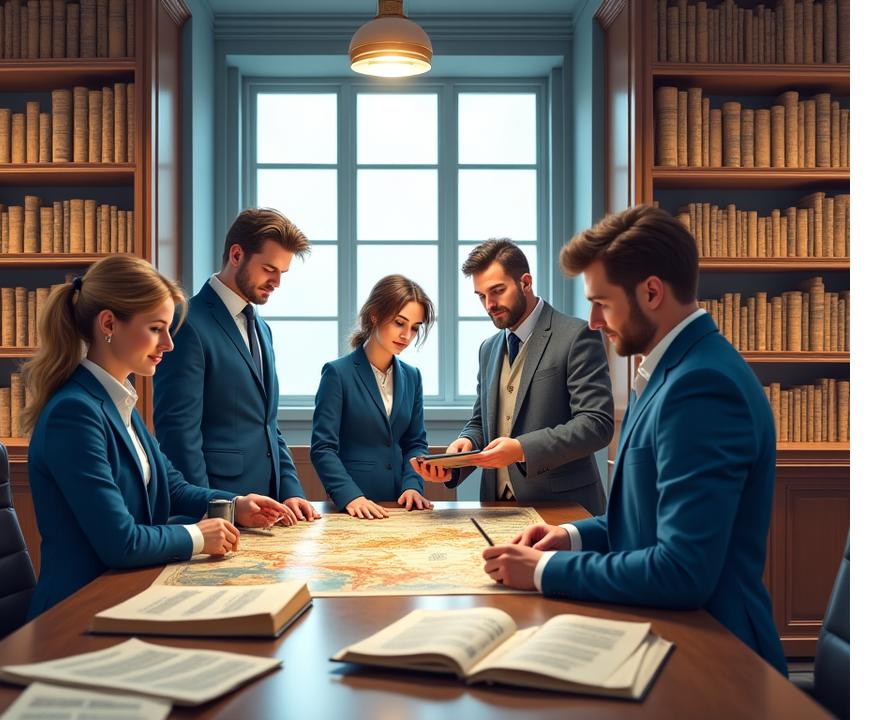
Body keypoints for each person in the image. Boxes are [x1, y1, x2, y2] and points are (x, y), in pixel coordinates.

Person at [480, 205, 788, 674]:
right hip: (669, 636)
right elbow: (645, 523)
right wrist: (569, 535)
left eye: (602, 302)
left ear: (651, 292)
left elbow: (681, 571)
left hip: (714, 662)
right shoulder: (670, 370)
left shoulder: (702, 387)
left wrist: (542, 571)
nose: (594, 321)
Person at [22, 255, 295, 620]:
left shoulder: (118, 402)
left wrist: (237, 505)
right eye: (156, 329)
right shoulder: (74, 414)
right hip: (79, 612)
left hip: (125, 593)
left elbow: (175, 488)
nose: (168, 343)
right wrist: (199, 536)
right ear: (109, 324)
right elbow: (122, 542)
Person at [410, 239, 614, 515]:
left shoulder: (576, 335)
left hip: (563, 508)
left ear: (526, 282)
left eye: (497, 291)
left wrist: (521, 449)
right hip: (496, 510)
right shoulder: (489, 348)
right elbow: (481, 422)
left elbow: (596, 424)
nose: (489, 304)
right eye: (481, 296)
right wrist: (464, 447)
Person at [153, 208, 320, 522]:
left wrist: (291, 490)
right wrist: (209, 513)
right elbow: (179, 431)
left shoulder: (263, 329)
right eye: (269, 268)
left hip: (267, 509)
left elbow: (268, 424)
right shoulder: (186, 322)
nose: (277, 282)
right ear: (237, 254)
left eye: (282, 272)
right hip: (219, 511)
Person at [311, 275, 436, 519]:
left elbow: (415, 442)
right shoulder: (337, 373)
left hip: (401, 506)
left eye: (415, 328)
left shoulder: (412, 377)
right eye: (400, 323)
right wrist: (351, 496)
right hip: (353, 508)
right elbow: (322, 448)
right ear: (375, 315)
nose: (407, 336)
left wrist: (412, 485)